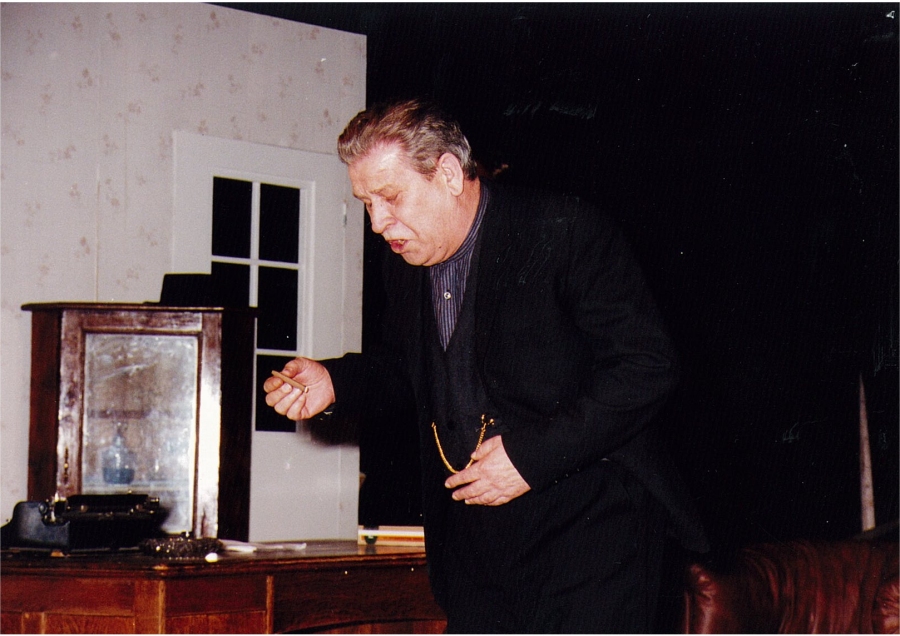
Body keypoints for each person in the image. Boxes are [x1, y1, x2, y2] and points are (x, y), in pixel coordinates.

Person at [265, 98, 708, 633]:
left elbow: (647, 366)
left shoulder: (562, 229)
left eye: (391, 197)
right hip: (475, 551)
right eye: (366, 203)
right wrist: (336, 381)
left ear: (449, 174)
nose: (379, 223)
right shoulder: (405, 263)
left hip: (590, 538)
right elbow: (408, 369)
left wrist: (529, 456)